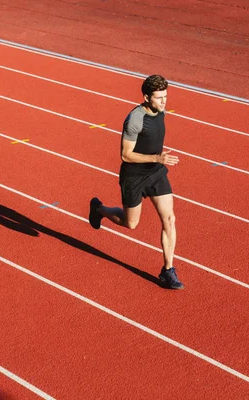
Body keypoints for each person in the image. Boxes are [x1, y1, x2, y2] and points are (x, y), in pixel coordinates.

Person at [89, 74, 183, 289]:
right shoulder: (135, 119)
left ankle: (168, 270)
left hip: (156, 172)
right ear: (146, 97)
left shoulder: (161, 111)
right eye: (159, 98)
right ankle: (99, 209)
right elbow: (126, 155)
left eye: (165, 97)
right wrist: (157, 157)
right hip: (134, 176)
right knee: (130, 223)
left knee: (169, 219)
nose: (163, 102)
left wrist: (158, 162)